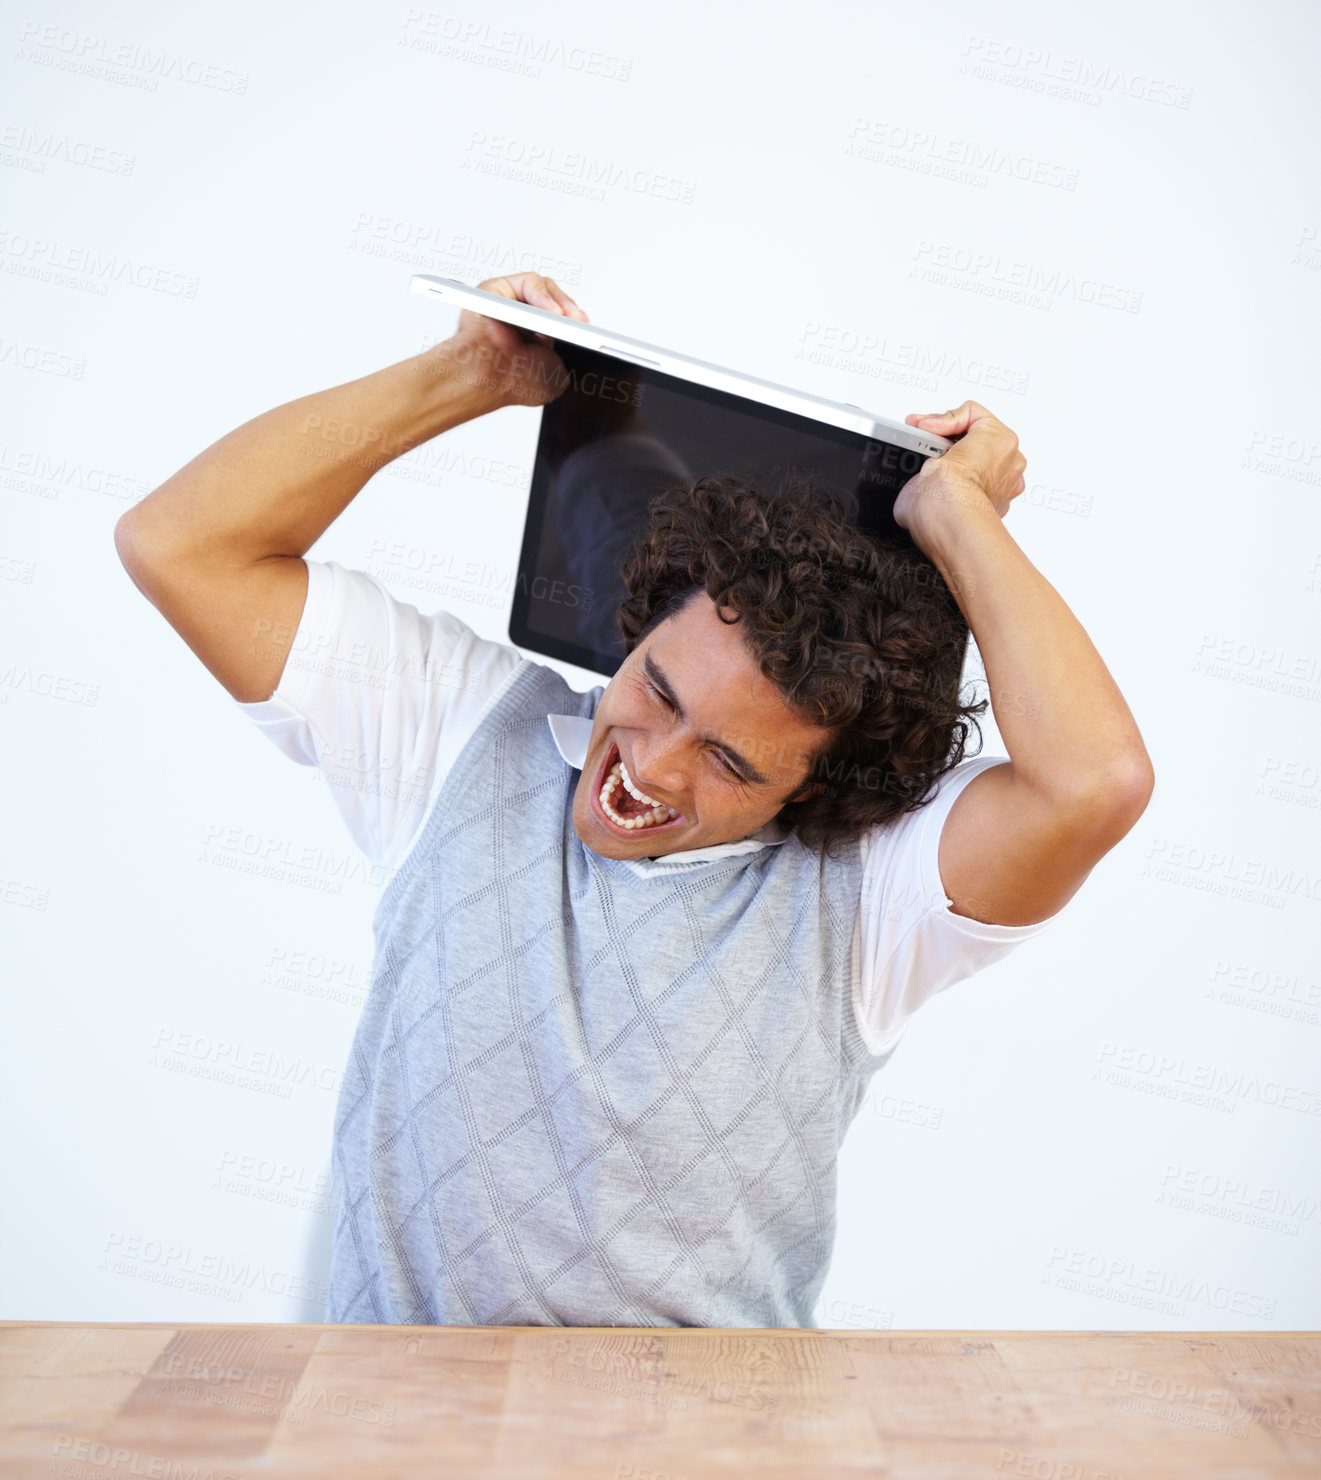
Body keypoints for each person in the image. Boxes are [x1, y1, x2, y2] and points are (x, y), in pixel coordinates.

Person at [114, 272, 1155, 1328]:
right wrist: (466, 374)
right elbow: (181, 545)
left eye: (731, 764)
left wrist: (953, 512)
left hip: (700, 1468)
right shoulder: (457, 733)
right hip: (390, 1455)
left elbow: (1093, 780)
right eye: (656, 690)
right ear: (639, 626)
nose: (652, 768)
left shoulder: (874, 897)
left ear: (820, 790)